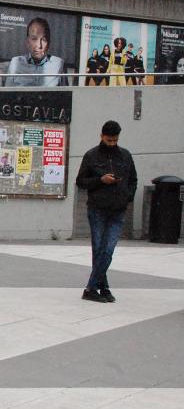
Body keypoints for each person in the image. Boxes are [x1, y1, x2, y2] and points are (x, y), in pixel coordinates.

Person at [75, 120, 136, 304]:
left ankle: (92, 288)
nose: (112, 143)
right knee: (99, 249)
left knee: (107, 249)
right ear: (101, 136)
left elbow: (133, 179)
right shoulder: (91, 155)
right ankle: (103, 288)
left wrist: (128, 196)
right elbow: (81, 181)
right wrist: (101, 180)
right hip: (98, 209)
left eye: (115, 140)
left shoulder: (125, 155)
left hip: (118, 209)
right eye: (109, 140)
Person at [4, 18, 66, 87]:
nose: (39, 46)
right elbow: (7, 94)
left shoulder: (58, 63)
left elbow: (66, 94)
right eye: (34, 39)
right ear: (27, 42)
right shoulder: (15, 62)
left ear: (48, 43)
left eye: (43, 40)